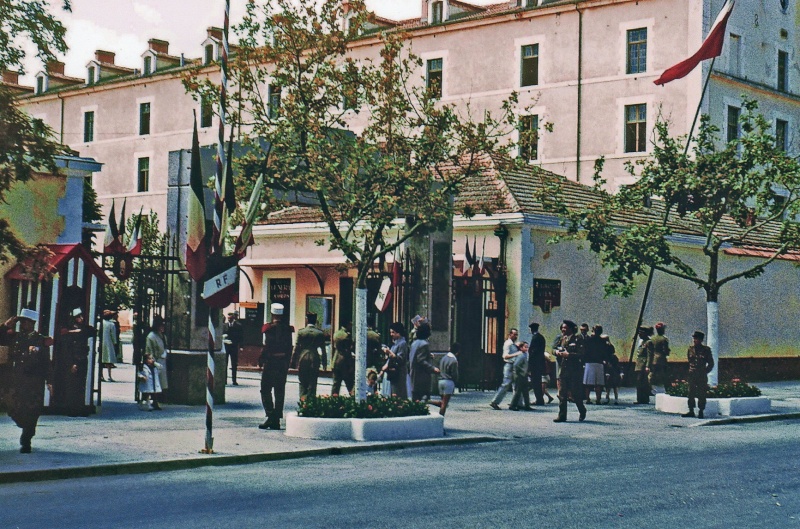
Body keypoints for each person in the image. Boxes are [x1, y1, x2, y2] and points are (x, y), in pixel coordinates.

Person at [0, 309, 53, 453]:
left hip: (34, 382)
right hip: (17, 380)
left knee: (32, 411)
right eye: (21, 321)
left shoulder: (40, 340)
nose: (23, 324)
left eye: (26, 322)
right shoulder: (15, 337)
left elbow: (46, 362)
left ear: (33, 323)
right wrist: (6, 325)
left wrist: (50, 381)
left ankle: (26, 440)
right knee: (12, 407)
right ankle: (24, 426)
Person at [259, 303, 295, 430]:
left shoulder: (268, 329)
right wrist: (287, 362)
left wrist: (261, 359)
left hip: (271, 362)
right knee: (279, 390)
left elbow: (267, 346)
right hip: (282, 363)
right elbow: (290, 347)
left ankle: (271, 416)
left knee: (265, 388)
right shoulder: (288, 329)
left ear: (272, 314)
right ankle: (277, 417)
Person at [56, 308, 96, 416]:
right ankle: (72, 409)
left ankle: (79, 408)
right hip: (74, 360)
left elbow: (92, 331)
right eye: (79, 317)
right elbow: (67, 350)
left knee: (81, 384)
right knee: (72, 385)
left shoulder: (80, 329)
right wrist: (71, 363)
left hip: (82, 359)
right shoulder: (67, 332)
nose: (81, 319)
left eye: (82, 316)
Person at [553, 320, 587, 423]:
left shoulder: (578, 339)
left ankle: (582, 410)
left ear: (571, 329)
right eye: (562, 328)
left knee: (575, 394)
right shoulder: (560, 339)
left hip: (574, 371)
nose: (563, 330)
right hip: (563, 370)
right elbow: (553, 349)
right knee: (562, 394)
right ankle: (562, 415)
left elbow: (582, 354)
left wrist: (569, 355)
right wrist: (557, 352)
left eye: (565, 328)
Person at [291, 312, 326, 400]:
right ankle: (310, 403)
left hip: (303, 357)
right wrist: (324, 364)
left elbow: (296, 348)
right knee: (312, 382)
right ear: (315, 321)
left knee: (302, 381)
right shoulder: (320, 333)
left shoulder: (301, 332)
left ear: (307, 320)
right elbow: (323, 350)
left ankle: (302, 402)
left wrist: (293, 361)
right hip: (314, 358)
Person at [682, 331, 715, 419]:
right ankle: (691, 410)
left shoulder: (706, 350)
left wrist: (705, 371)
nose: (695, 340)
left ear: (701, 340)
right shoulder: (690, 349)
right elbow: (689, 361)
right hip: (692, 374)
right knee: (690, 392)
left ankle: (701, 411)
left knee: (701, 393)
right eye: (694, 338)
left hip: (701, 375)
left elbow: (711, 363)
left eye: (697, 339)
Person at [489, 328, 520, 410]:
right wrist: (517, 353)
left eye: (516, 334)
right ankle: (495, 401)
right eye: (514, 334)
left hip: (514, 365)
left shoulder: (514, 344)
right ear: (510, 334)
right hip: (509, 365)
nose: (516, 336)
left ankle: (517, 403)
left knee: (516, 384)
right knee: (506, 384)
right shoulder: (508, 344)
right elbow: (505, 356)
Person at [409, 321, 439, 402]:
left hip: (413, 375)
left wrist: (428, 355)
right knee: (423, 399)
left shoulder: (414, 343)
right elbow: (421, 360)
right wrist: (433, 368)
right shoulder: (424, 344)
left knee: (415, 399)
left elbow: (416, 356)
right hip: (422, 377)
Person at [380, 321, 409, 398]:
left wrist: (390, 352)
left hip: (398, 373)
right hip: (392, 372)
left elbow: (400, 359)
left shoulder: (402, 343)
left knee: (398, 393)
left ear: (398, 333)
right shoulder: (396, 343)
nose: (391, 334)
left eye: (393, 332)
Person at [429, 342, 460, 416]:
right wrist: (456, 381)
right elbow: (454, 374)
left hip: (440, 380)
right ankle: (440, 417)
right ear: (458, 352)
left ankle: (430, 402)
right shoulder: (454, 361)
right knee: (444, 404)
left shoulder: (444, 358)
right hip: (448, 382)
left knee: (443, 402)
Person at [145, 315, 169, 401]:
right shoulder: (151, 336)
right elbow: (149, 351)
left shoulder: (162, 336)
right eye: (161, 325)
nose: (163, 327)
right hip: (156, 361)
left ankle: (158, 399)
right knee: (155, 382)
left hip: (162, 361)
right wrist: (152, 362)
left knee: (160, 382)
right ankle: (153, 400)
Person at [583, 325, 607, 405]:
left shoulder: (588, 340)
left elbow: (585, 351)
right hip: (599, 362)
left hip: (589, 362)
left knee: (588, 383)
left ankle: (588, 399)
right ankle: (598, 399)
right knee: (598, 383)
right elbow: (605, 352)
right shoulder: (603, 341)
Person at [331, 321, 355, 396]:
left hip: (336, 360)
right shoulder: (346, 336)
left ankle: (333, 399)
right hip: (344, 362)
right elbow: (348, 350)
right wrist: (351, 365)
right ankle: (353, 398)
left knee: (336, 384)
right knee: (350, 383)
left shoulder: (336, 334)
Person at [649, 322, 671, 394]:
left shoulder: (652, 338)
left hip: (653, 359)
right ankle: (668, 389)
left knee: (651, 374)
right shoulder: (664, 339)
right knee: (665, 375)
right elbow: (665, 350)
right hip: (661, 360)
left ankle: (648, 388)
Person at [528, 322, 547, 406]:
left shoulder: (535, 338)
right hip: (540, 363)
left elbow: (533, 352)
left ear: (532, 329)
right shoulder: (541, 337)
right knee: (537, 382)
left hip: (535, 364)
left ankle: (539, 399)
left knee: (535, 383)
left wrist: (529, 364)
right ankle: (540, 399)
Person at [509, 341, 532, 411]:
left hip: (523, 375)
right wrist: (520, 372)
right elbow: (516, 365)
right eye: (525, 347)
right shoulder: (521, 355)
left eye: (527, 347)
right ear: (521, 348)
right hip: (520, 375)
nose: (527, 348)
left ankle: (527, 405)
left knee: (525, 391)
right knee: (518, 391)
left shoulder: (525, 355)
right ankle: (513, 405)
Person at [634, 326, 654, 404]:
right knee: (640, 382)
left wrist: (647, 366)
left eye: (641, 333)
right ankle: (641, 399)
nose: (639, 334)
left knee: (642, 382)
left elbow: (650, 355)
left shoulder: (648, 342)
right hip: (639, 365)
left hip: (643, 365)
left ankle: (643, 399)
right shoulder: (642, 342)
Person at [222, 311, 243, 386]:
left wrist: (241, 346)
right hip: (226, 346)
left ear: (233, 318)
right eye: (228, 318)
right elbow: (222, 335)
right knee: (225, 364)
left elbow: (241, 336)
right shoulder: (224, 325)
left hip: (234, 346)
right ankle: (224, 380)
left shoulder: (238, 326)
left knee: (234, 364)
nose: (229, 319)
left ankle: (234, 380)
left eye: (230, 318)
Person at [602, 335, 622, 405]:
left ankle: (609, 398)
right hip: (613, 372)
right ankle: (614, 399)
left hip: (612, 371)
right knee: (612, 386)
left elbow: (617, 366)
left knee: (610, 386)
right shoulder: (613, 356)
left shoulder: (610, 357)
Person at [100, 309, 118, 381]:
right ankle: (109, 376)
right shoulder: (111, 324)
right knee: (108, 361)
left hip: (101, 342)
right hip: (109, 343)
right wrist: (115, 343)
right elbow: (113, 335)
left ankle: (101, 375)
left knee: (101, 360)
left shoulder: (101, 323)